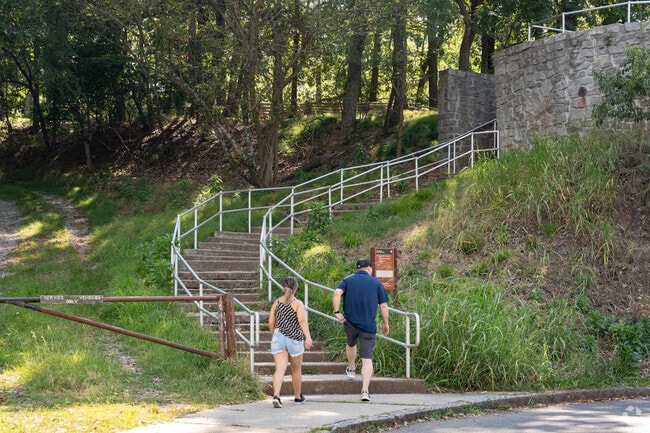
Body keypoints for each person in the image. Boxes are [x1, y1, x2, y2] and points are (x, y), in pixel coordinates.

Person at [332, 259, 389, 402]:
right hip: (369, 326)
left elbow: (337, 293)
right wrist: (386, 323)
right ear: (369, 268)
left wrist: (336, 312)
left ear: (358, 269)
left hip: (350, 322)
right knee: (367, 359)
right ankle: (365, 391)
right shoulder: (376, 283)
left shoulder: (347, 280)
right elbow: (383, 306)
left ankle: (351, 367)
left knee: (351, 344)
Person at [268, 276, 313, 408]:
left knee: (279, 370)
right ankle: (298, 397)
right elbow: (302, 321)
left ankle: (276, 396)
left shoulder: (276, 302)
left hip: (278, 338)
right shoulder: (297, 303)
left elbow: (271, 322)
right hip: (294, 339)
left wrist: (274, 334)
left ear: (283, 287)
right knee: (296, 369)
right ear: (296, 288)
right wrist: (308, 337)